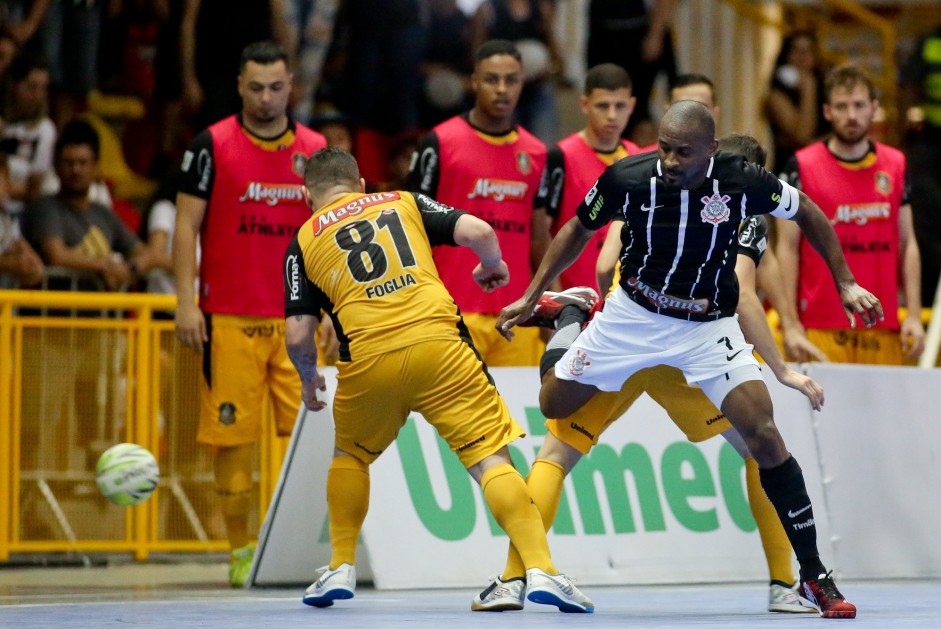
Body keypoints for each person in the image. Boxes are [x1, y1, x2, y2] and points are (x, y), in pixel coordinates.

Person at [497, 100, 882, 619]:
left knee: (764, 436)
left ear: (712, 150)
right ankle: (567, 317)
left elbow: (808, 212)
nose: (672, 160)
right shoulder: (627, 179)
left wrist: (845, 281)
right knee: (552, 405)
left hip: (706, 328)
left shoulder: (743, 180)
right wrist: (532, 293)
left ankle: (813, 575)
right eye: (665, 148)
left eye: (684, 152)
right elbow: (576, 231)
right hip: (632, 318)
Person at [283, 146, 593, 613]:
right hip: (439, 344)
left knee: (350, 454)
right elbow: (480, 231)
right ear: (362, 184)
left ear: (309, 197)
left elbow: (298, 333)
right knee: (490, 459)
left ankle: (340, 566)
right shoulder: (401, 201)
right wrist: (492, 265)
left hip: (368, 360)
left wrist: (308, 378)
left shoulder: (303, 241)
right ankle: (541, 569)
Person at [172, 41, 327, 588]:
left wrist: (329, 307)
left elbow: (328, 232)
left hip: (299, 322)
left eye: (276, 87)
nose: (266, 98)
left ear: (292, 86)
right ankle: (241, 550)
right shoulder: (209, 146)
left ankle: (301, 550)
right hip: (229, 318)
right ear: (239, 85)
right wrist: (186, 301)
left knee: (305, 439)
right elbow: (185, 227)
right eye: (256, 87)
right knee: (233, 439)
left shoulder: (316, 149)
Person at [408, 39, 550, 367]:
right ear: (474, 82)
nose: (502, 89)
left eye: (511, 80)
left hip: (518, 314)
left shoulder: (537, 152)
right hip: (451, 310)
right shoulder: (439, 143)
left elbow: (540, 236)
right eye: (491, 79)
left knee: (518, 416)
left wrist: (544, 302)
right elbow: (411, 226)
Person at [776, 64, 924, 364]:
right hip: (820, 324)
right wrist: (791, 322)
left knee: (884, 412)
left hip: (883, 324)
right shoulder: (801, 166)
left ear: (874, 108)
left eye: (859, 105)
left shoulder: (896, 164)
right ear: (827, 111)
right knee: (822, 411)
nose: (852, 115)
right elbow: (787, 249)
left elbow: (908, 244)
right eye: (842, 107)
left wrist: (915, 315)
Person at [543, 63, 650, 295]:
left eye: (620, 106)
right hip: (576, 301)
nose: (612, 115)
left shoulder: (639, 159)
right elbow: (543, 234)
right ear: (584, 104)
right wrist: (553, 298)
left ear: (631, 105)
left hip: (625, 304)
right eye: (603, 106)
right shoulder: (560, 156)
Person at [25, 119, 152, 292]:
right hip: (56, 315)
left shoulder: (103, 213)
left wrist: (129, 268)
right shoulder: (45, 207)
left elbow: (141, 251)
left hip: (102, 316)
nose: (76, 170)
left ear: (95, 166)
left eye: (83, 163)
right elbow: (56, 255)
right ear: (56, 165)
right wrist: (106, 265)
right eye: (69, 163)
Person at [586, 0, 678, 144]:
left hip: (638, 32)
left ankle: (646, 157)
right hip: (602, 32)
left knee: (638, 110)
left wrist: (656, 33)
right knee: (605, 103)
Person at [899, 23, 941, 309]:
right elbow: (908, 88)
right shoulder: (928, 41)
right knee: (926, 227)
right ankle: (926, 306)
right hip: (930, 142)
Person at [765, 30, 829, 172]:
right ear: (786, 55)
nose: (803, 56)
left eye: (808, 50)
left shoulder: (826, 90)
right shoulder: (776, 95)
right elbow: (802, 136)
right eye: (796, 50)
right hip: (790, 174)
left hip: (822, 172)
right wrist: (808, 87)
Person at [1, 54, 56, 217]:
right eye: (32, 87)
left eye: (43, 88)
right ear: (13, 85)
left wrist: (6, 187)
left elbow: (34, 188)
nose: (37, 96)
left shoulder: (44, 129)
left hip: (21, 214)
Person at [0, 156, 43, 288]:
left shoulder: (7, 218)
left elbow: (20, 245)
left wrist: (31, 263)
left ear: (8, 186)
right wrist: (10, 264)